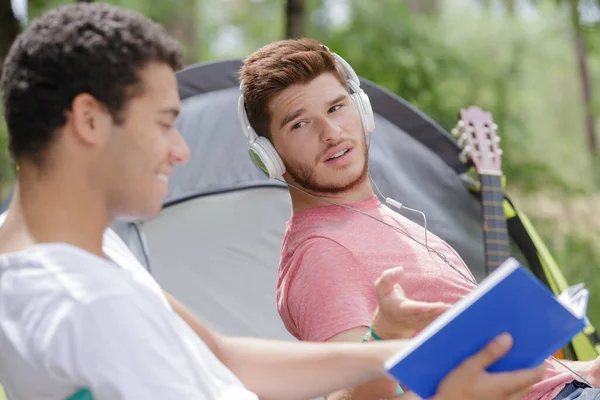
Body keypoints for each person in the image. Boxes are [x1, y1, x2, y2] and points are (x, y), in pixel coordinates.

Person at [0, 3, 547, 399]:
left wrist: (393, 350)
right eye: (165, 123)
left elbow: (224, 356)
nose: (181, 149)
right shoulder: (83, 305)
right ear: (90, 121)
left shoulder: (78, 254)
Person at [237, 37, 600, 400]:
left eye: (336, 108)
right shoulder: (320, 254)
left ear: (362, 110)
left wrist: (584, 369)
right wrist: (384, 332)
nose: (331, 133)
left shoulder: (381, 218)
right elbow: (349, 394)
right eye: (300, 124)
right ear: (270, 156)